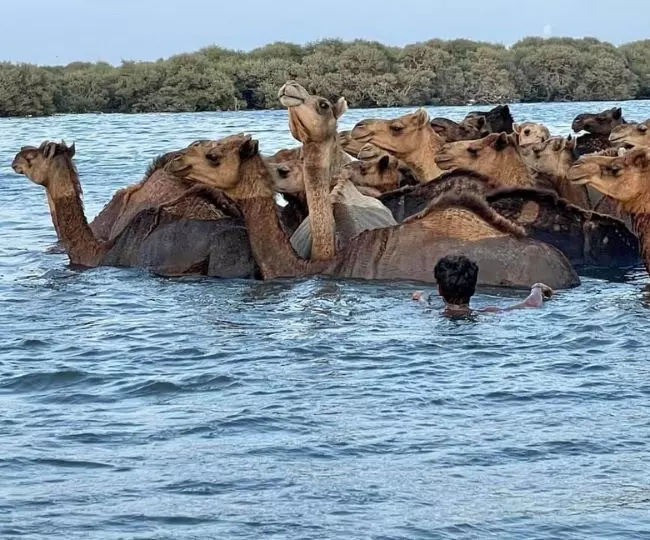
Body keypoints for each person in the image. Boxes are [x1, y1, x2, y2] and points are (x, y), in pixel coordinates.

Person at [412, 255, 553, 316]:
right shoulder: (489, 312)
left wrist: (421, 296)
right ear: (473, 289)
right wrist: (537, 287)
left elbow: (423, 301)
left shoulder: (431, 312)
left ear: (440, 290)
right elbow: (531, 304)